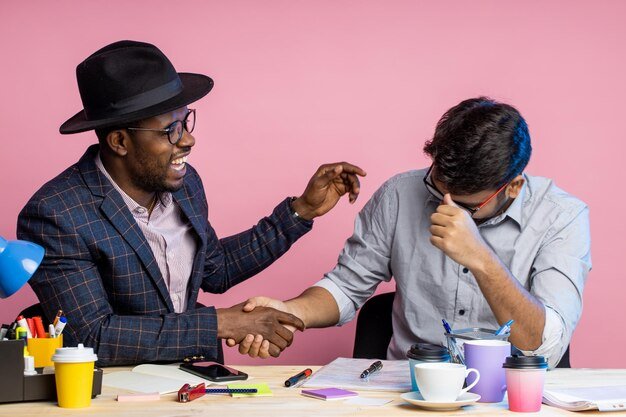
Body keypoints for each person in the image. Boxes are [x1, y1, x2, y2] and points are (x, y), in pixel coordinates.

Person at [16, 40, 366, 366]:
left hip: (194, 379)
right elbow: (92, 335)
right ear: (120, 141)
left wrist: (301, 210)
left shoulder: (184, 185)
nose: (188, 139)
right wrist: (220, 323)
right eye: (171, 130)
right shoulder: (56, 214)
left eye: (186, 121)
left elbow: (215, 269)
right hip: (114, 393)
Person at [234, 97, 591, 369]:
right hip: (407, 390)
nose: (444, 207)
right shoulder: (399, 194)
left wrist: (480, 258)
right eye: (437, 189)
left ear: (513, 186)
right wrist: (289, 310)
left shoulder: (561, 216)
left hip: (507, 392)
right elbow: (346, 286)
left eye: (465, 206)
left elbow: (543, 347)